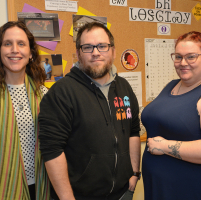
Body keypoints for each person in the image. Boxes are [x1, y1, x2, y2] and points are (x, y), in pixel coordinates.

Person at [38, 22, 141, 200]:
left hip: (123, 193)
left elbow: (133, 131)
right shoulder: (62, 92)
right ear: (78, 53)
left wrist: (134, 173)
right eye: (87, 47)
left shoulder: (124, 87)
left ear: (113, 51)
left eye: (102, 46)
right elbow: (52, 150)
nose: (95, 52)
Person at [142, 31, 201, 200]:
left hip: (189, 189)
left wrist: (164, 146)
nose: (183, 63)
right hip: (159, 186)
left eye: (191, 57)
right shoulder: (172, 85)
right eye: (178, 57)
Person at [0, 21, 50, 200]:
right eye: (7, 43)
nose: (14, 49)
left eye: (21, 44)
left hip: (38, 188)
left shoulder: (43, 94)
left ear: (31, 54)